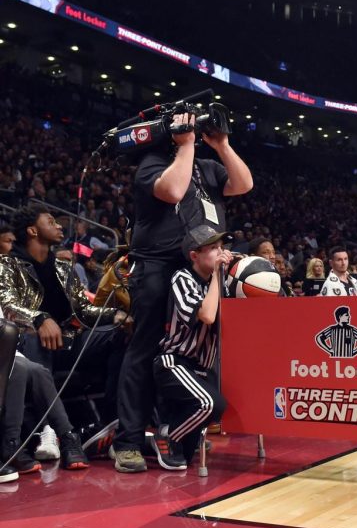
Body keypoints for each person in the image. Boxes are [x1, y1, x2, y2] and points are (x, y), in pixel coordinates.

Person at [112, 110, 252, 473]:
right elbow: (173, 190)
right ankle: (127, 441)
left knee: (196, 350)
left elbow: (243, 184)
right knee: (145, 347)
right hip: (158, 266)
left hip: (197, 269)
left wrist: (221, 144)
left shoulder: (207, 166)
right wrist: (185, 144)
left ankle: (174, 430)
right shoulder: (151, 163)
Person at [1, 206, 129, 445]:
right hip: (29, 346)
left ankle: (115, 419)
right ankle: (52, 432)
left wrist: (115, 315)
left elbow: (83, 311)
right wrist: (40, 318)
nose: (59, 225)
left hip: (69, 342)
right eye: (50, 222)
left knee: (120, 335)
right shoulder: (7, 265)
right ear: (32, 230)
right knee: (35, 338)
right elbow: (7, 306)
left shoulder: (62, 268)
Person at [151, 225, 231, 470]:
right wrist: (219, 275)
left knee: (184, 457)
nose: (220, 253)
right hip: (174, 363)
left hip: (200, 368)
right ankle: (166, 437)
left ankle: (161, 438)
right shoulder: (182, 279)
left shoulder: (219, 283)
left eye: (221, 247)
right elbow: (206, 315)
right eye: (213, 248)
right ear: (194, 255)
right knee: (212, 404)